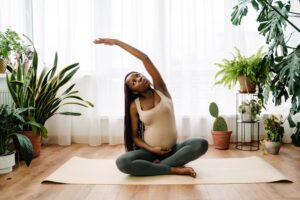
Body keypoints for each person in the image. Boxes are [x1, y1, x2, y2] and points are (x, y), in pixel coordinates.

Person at [94, 38, 208, 177]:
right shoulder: (134, 106)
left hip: (173, 149)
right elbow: (135, 137)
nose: (138, 78)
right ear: (134, 91)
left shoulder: (161, 89)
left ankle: (158, 166)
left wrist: (117, 43)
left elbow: (145, 58)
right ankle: (173, 168)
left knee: (201, 144)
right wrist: (153, 149)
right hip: (150, 152)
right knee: (122, 162)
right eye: (134, 82)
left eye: (138, 75)